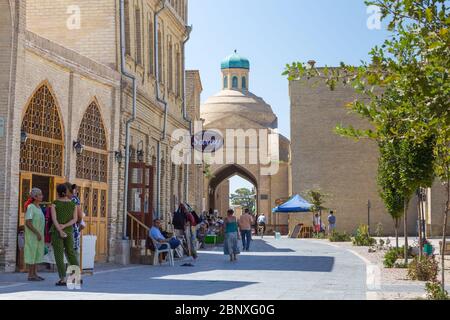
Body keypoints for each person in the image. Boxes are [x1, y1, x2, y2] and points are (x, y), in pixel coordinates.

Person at [51, 184, 80, 286]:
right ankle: (76, 277)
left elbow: (54, 219)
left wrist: (59, 230)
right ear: (66, 192)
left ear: (57, 192)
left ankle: (63, 279)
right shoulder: (73, 204)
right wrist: (64, 226)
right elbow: (75, 220)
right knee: (71, 253)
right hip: (69, 231)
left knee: (59, 254)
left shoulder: (54, 204)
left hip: (56, 232)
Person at [24, 188, 45, 281]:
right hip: (33, 236)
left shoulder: (39, 207)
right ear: (35, 197)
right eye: (40, 195)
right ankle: (30, 275)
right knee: (32, 253)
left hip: (39, 236)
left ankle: (35, 273)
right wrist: (36, 233)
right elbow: (28, 222)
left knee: (37, 254)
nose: (42, 196)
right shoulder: (31, 207)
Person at [68, 184, 84, 256]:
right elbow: (80, 215)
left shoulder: (59, 200)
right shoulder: (74, 199)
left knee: (68, 254)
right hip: (73, 229)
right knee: (73, 256)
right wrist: (79, 223)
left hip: (64, 230)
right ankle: (73, 267)